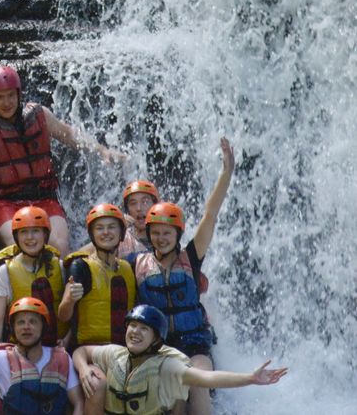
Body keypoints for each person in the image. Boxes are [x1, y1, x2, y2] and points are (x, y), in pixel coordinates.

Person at [0, 65, 127, 254]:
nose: (6, 102)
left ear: (18, 94)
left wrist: (102, 150)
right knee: (19, 246)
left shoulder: (39, 115)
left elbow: (69, 134)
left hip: (43, 197)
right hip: (3, 201)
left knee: (60, 247)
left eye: (11, 95)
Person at [127, 136, 234, 415]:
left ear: (177, 235)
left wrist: (226, 172)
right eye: (156, 233)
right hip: (158, 345)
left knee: (197, 381)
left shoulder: (191, 257)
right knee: (171, 395)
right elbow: (102, 249)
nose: (161, 238)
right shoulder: (136, 262)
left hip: (194, 341)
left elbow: (210, 215)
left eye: (167, 233)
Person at [73, 305, 286, 415]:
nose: (135, 332)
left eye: (144, 329)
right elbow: (81, 351)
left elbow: (207, 378)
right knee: (94, 380)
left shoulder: (166, 366)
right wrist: (83, 369)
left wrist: (250, 378)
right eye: (132, 326)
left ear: (156, 339)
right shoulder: (115, 354)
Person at [0, 206, 71, 351]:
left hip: (57, 349)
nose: (30, 237)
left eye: (36, 231)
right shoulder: (5, 272)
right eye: (24, 232)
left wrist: (66, 341)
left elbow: (73, 316)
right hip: (20, 351)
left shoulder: (61, 267)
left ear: (45, 235)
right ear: (16, 237)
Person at [59, 204, 136, 347]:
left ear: (121, 233)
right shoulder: (81, 266)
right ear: (92, 235)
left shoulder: (128, 268)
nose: (106, 232)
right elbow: (63, 315)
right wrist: (70, 299)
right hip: (89, 349)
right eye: (99, 228)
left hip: (124, 349)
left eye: (112, 227)